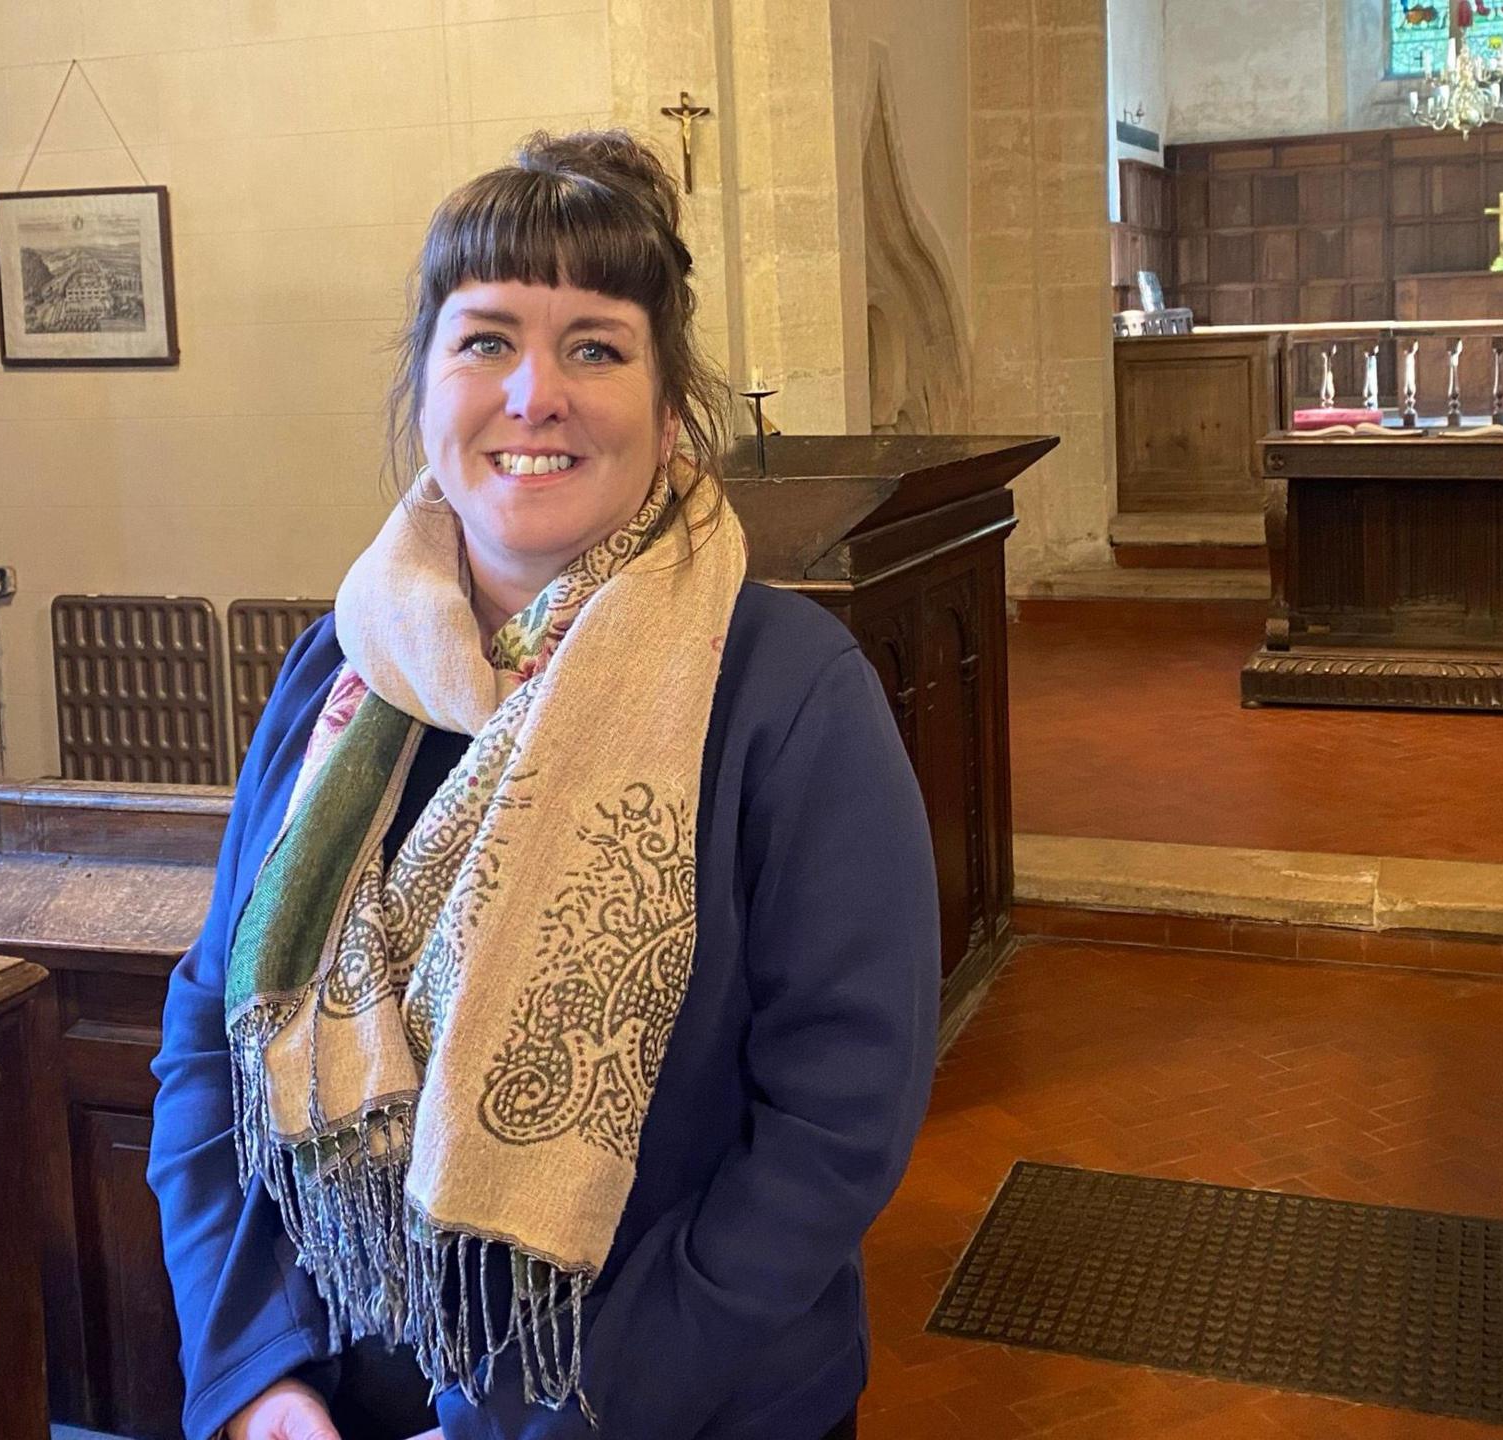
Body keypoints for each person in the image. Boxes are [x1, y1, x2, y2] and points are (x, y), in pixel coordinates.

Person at [147, 129, 940, 1440]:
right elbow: (207, 1021)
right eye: (487, 340)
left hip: (667, 1406)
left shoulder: (786, 690)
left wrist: (574, 1412)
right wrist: (254, 1374)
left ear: (669, 406)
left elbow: (834, 1125)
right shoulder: (334, 677)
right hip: (341, 1399)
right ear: (424, 388)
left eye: (593, 347)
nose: (535, 395)